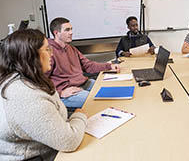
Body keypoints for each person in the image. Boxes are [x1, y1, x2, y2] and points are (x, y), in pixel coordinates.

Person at [0, 29, 87, 161]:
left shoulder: (28, 78)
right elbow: (69, 141)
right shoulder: (25, 95)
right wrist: (80, 115)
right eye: (47, 49)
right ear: (30, 55)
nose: (51, 54)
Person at [46, 17, 120, 109]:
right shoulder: (49, 53)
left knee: (112, 93)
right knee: (100, 103)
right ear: (56, 33)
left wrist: (109, 66)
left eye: (71, 29)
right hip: (68, 91)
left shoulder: (71, 49)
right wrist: (60, 93)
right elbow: (40, 80)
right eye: (67, 30)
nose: (71, 32)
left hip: (84, 83)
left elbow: (88, 65)